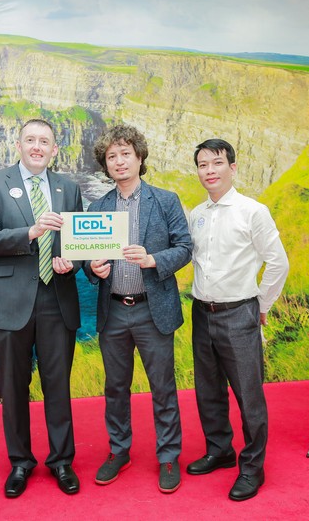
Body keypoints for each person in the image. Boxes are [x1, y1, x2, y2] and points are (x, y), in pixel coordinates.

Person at [0, 119, 83, 498]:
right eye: (31, 140)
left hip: (58, 300)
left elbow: (77, 242)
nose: (37, 147)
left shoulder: (69, 188)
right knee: (14, 386)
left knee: (58, 385)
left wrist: (71, 262)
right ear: (18, 145)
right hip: (9, 304)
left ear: (55, 150)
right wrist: (31, 232)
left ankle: (62, 461)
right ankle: (20, 462)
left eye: (45, 141)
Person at [85, 124, 192, 494]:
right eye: (111, 156)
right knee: (115, 388)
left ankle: (168, 456)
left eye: (125, 154)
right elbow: (88, 259)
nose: (119, 161)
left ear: (139, 157)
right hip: (113, 311)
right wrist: (93, 268)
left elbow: (184, 248)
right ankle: (119, 451)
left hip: (153, 310)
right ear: (105, 164)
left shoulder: (165, 201)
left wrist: (153, 260)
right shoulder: (98, 207)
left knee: (163, 388)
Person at [186, 138, 289, 501]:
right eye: (202, 165)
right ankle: (220, 450)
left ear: (232, 167)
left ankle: (252, 467)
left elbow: (278, 263)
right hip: (202, 312)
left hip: (239, 312)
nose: (209, 171)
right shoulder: (196, 214)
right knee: (208, 390)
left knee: (248, 395)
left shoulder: (253, 211)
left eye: (216, 163)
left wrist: (263, 304)